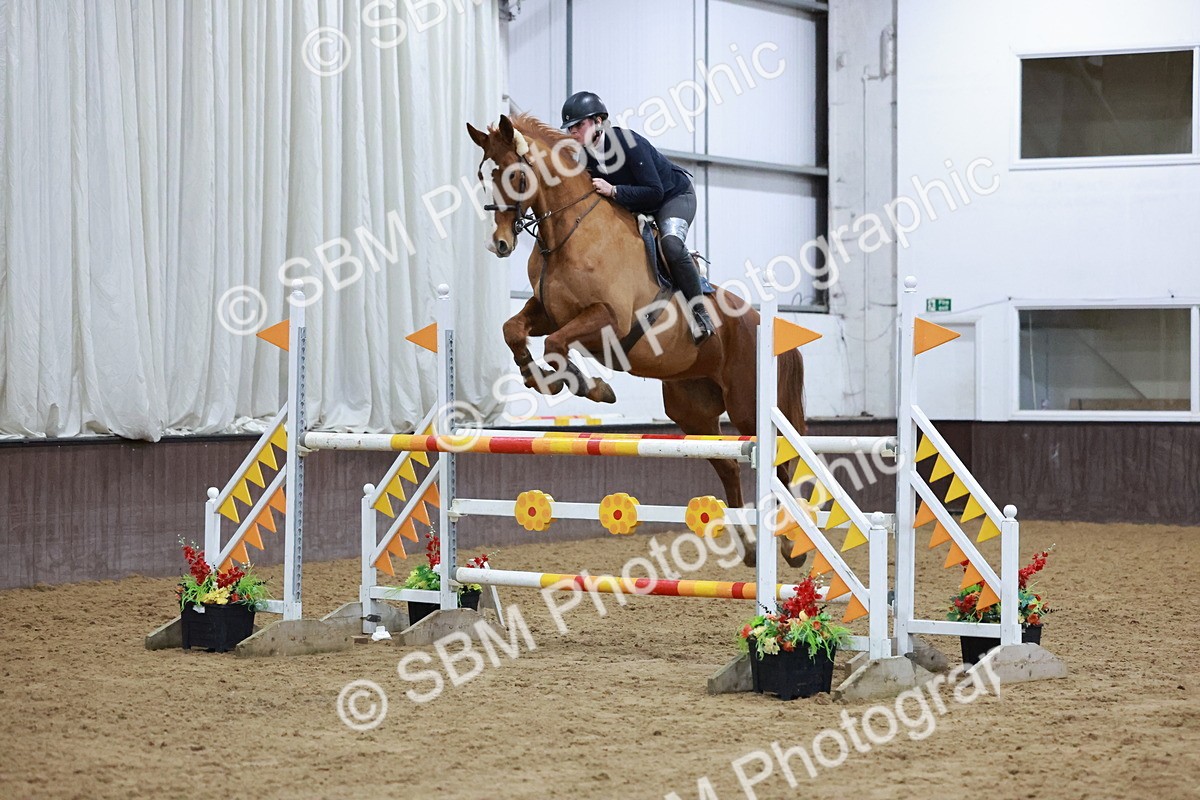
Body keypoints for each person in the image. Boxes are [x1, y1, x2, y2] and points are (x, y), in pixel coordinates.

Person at [560, 90, 716, 345]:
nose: (573, 132)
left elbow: (654, 193)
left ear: (599, 121)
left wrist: (615, 191)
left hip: (672, 197)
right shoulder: (585, 156)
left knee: (672, 245)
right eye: (570, 128)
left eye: (578, 125)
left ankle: (700, 312)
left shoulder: (628, 143)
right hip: (636, 204)